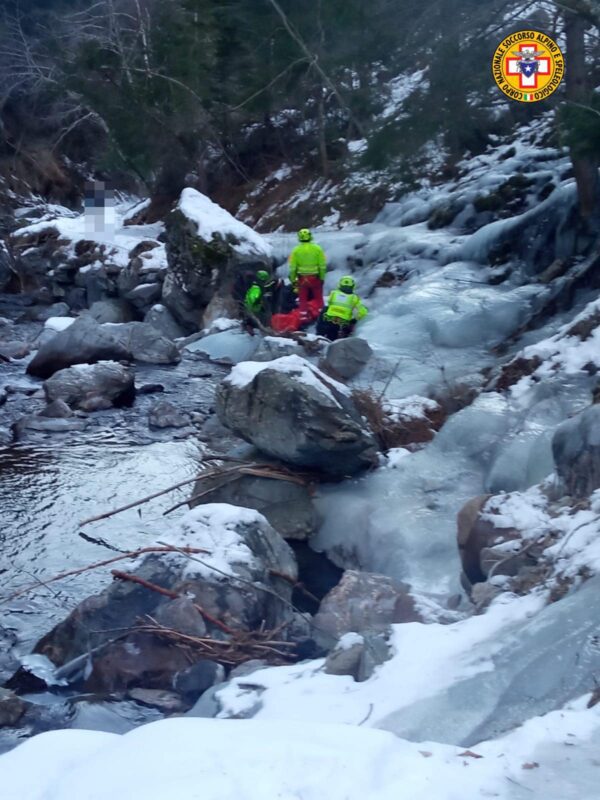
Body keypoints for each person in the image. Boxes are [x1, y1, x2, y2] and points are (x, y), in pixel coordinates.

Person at [288, 228, 327, 322]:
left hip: (302, 279)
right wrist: (322, 278)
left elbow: (292, 268)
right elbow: (322, 266)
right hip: (315, 278)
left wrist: (293, 280)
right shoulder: (317, 249)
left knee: (303, 300)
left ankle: (303, 318)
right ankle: (321, 316)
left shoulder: (296, 250)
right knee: (319, 298)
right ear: (310, 237)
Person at [316, 275, 368, 341]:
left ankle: (318, 335)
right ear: (353, 286)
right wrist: (354, 320)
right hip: (342, 322)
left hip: (329, 319)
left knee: (324, 311)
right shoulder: (354, 298)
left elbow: (328, 304)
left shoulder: (333, 293)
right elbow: (362, 312)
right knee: (332, 339)